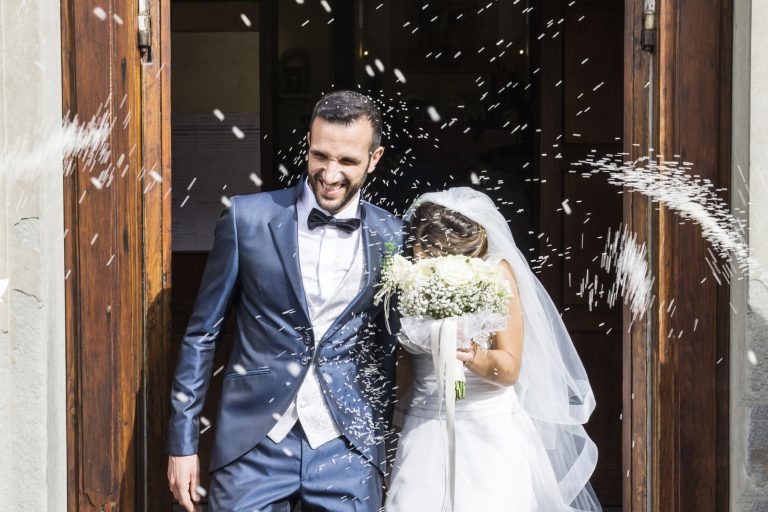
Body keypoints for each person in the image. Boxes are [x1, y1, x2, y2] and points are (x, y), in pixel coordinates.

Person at [166, 90, 405, 511]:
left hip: (348, 450)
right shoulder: (246, 218)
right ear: (308, 144)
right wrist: (182, 444)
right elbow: (202, 334)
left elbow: (388, 347)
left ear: (375, 158)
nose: (330, 174)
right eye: (320, 156)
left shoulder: (393, 236)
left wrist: (377, 445)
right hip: (253, 446)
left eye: (347, 161)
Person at [385, 188, 602, 511]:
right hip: (424, 427)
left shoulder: (497, 274)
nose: (424, 260)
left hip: (488, 430)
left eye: (432, 252)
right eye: (421, 250)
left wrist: (472, 354)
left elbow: (510, 368)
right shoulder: (407, 279)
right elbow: (403, 369)